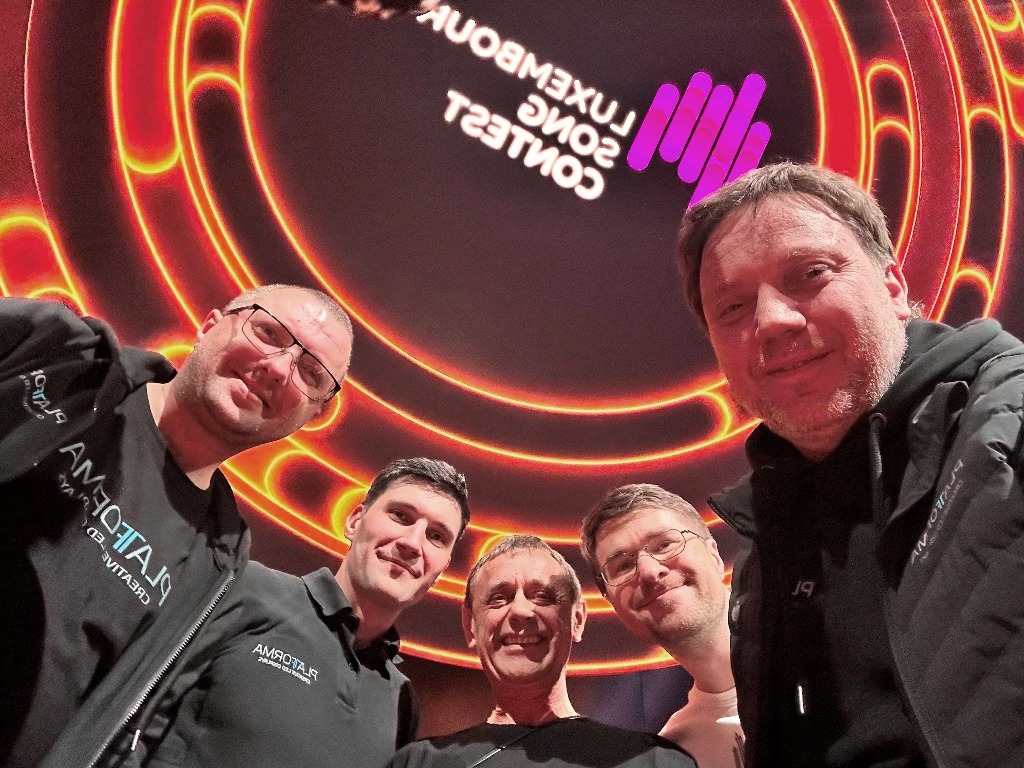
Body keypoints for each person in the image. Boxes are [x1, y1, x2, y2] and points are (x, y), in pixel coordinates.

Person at [676, 160, 1024, 767]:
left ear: (893, 288)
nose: (772, 321)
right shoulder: (765, 538)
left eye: (811, 273)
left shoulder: (1012, 425)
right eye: (732, 307)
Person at [0, 285, 353, 767]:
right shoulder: (60, 357)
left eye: (310, 373)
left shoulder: (218, 559)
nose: (278, 368)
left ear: (313, 414)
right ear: (210, 326)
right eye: (268, 332)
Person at [137, 457, 470, 768]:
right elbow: (134, 716)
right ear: (355, 522)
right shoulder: (247, 590)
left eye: (436, 537)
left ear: (441, 569)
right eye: (400, 516)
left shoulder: (401, 702)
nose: (412, 543)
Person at [387, 534, 697, 768]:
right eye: (498, 598)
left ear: (577, 620)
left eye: (543, 597)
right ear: (470, 626)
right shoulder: (419, 763)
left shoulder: (651, 762)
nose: (521, 611)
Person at [581, 484, 744, 768]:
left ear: (715, 556)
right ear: (613, 605)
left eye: (664, 544)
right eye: (623, 566)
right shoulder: (677, 752)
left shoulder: (820, 651)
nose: (648, 571)